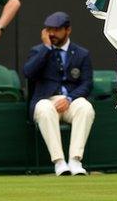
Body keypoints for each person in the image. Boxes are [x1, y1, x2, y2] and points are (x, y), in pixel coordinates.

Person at [23, 12, 95, 176]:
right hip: (46, 100)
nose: (52, 34)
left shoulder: (82, 53)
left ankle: (75, 161)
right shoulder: (38, 51)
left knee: (85, 108)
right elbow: (28, 73)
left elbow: (87, 83)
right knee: (44, 109)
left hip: (71, 100)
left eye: (56, 30)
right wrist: (47, 49)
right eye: (49, 29)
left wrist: (69, 99)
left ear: (67, 30)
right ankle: (60, 162)